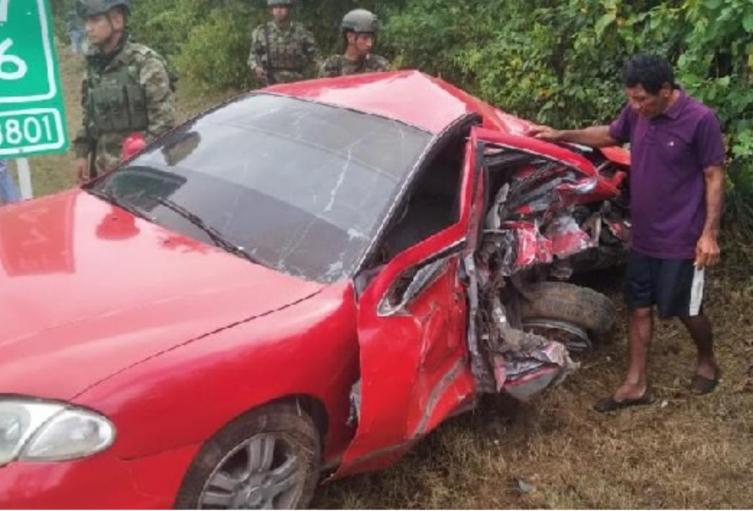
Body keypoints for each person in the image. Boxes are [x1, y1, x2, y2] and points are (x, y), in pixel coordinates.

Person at [530, 54, 726, 412]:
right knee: (637, 306)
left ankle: (707, 359)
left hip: (683, 236)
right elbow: (609, 134)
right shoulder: (638, 113)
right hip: (644, 234)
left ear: (666, 91)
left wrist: (709, 234)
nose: (635, 106)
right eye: (631, 99)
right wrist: (561, 135)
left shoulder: (700, 120)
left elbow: (714, 176)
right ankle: (636, 384)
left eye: (641, 99)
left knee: (686, 308)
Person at [72, 0, 176, 182]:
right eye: (86, 22)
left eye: (95, 20)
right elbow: (89, 116)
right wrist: (82, 153)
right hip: (103, 173)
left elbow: (163, 124)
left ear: (117, 20)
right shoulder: (94, 67)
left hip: (142, 169)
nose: (88, 28)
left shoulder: (145, 63)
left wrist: (134, 156)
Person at [248, 0, 320, 85]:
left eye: (282, 7)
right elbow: (253, 56)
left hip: (298, 81)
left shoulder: (301, 31)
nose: (279, 11)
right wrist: (256, 67)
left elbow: (315, 57)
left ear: (288, 9)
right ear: (271, 11)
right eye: (275, 8)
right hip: (270, 82)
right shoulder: (262, 32)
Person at [319, 9, 390, 78]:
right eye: (364, 38)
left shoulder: (378, 64)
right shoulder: (333, 66)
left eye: (372, 38)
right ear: (350, 37)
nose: (369, 44)